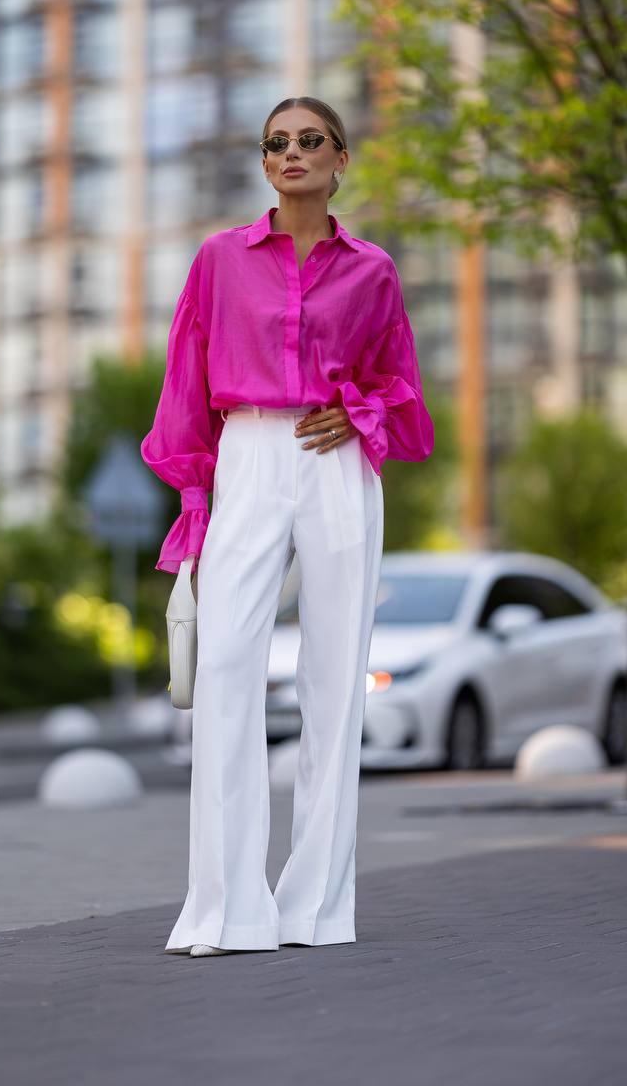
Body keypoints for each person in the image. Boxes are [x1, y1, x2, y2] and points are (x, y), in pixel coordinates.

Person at [141, 96, 434, 958]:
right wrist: (195, 504)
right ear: (264, 165)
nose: (292, 153)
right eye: (277, 144)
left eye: (310, 141)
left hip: (337, 462)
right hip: (248, 455)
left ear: (341, 158)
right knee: (228, 667)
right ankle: (227, 911)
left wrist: (362, 413)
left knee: (336, 681)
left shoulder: (372, 269)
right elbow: (185, 380)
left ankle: (314, 907)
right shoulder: (219, 261)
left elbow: (403, 389)